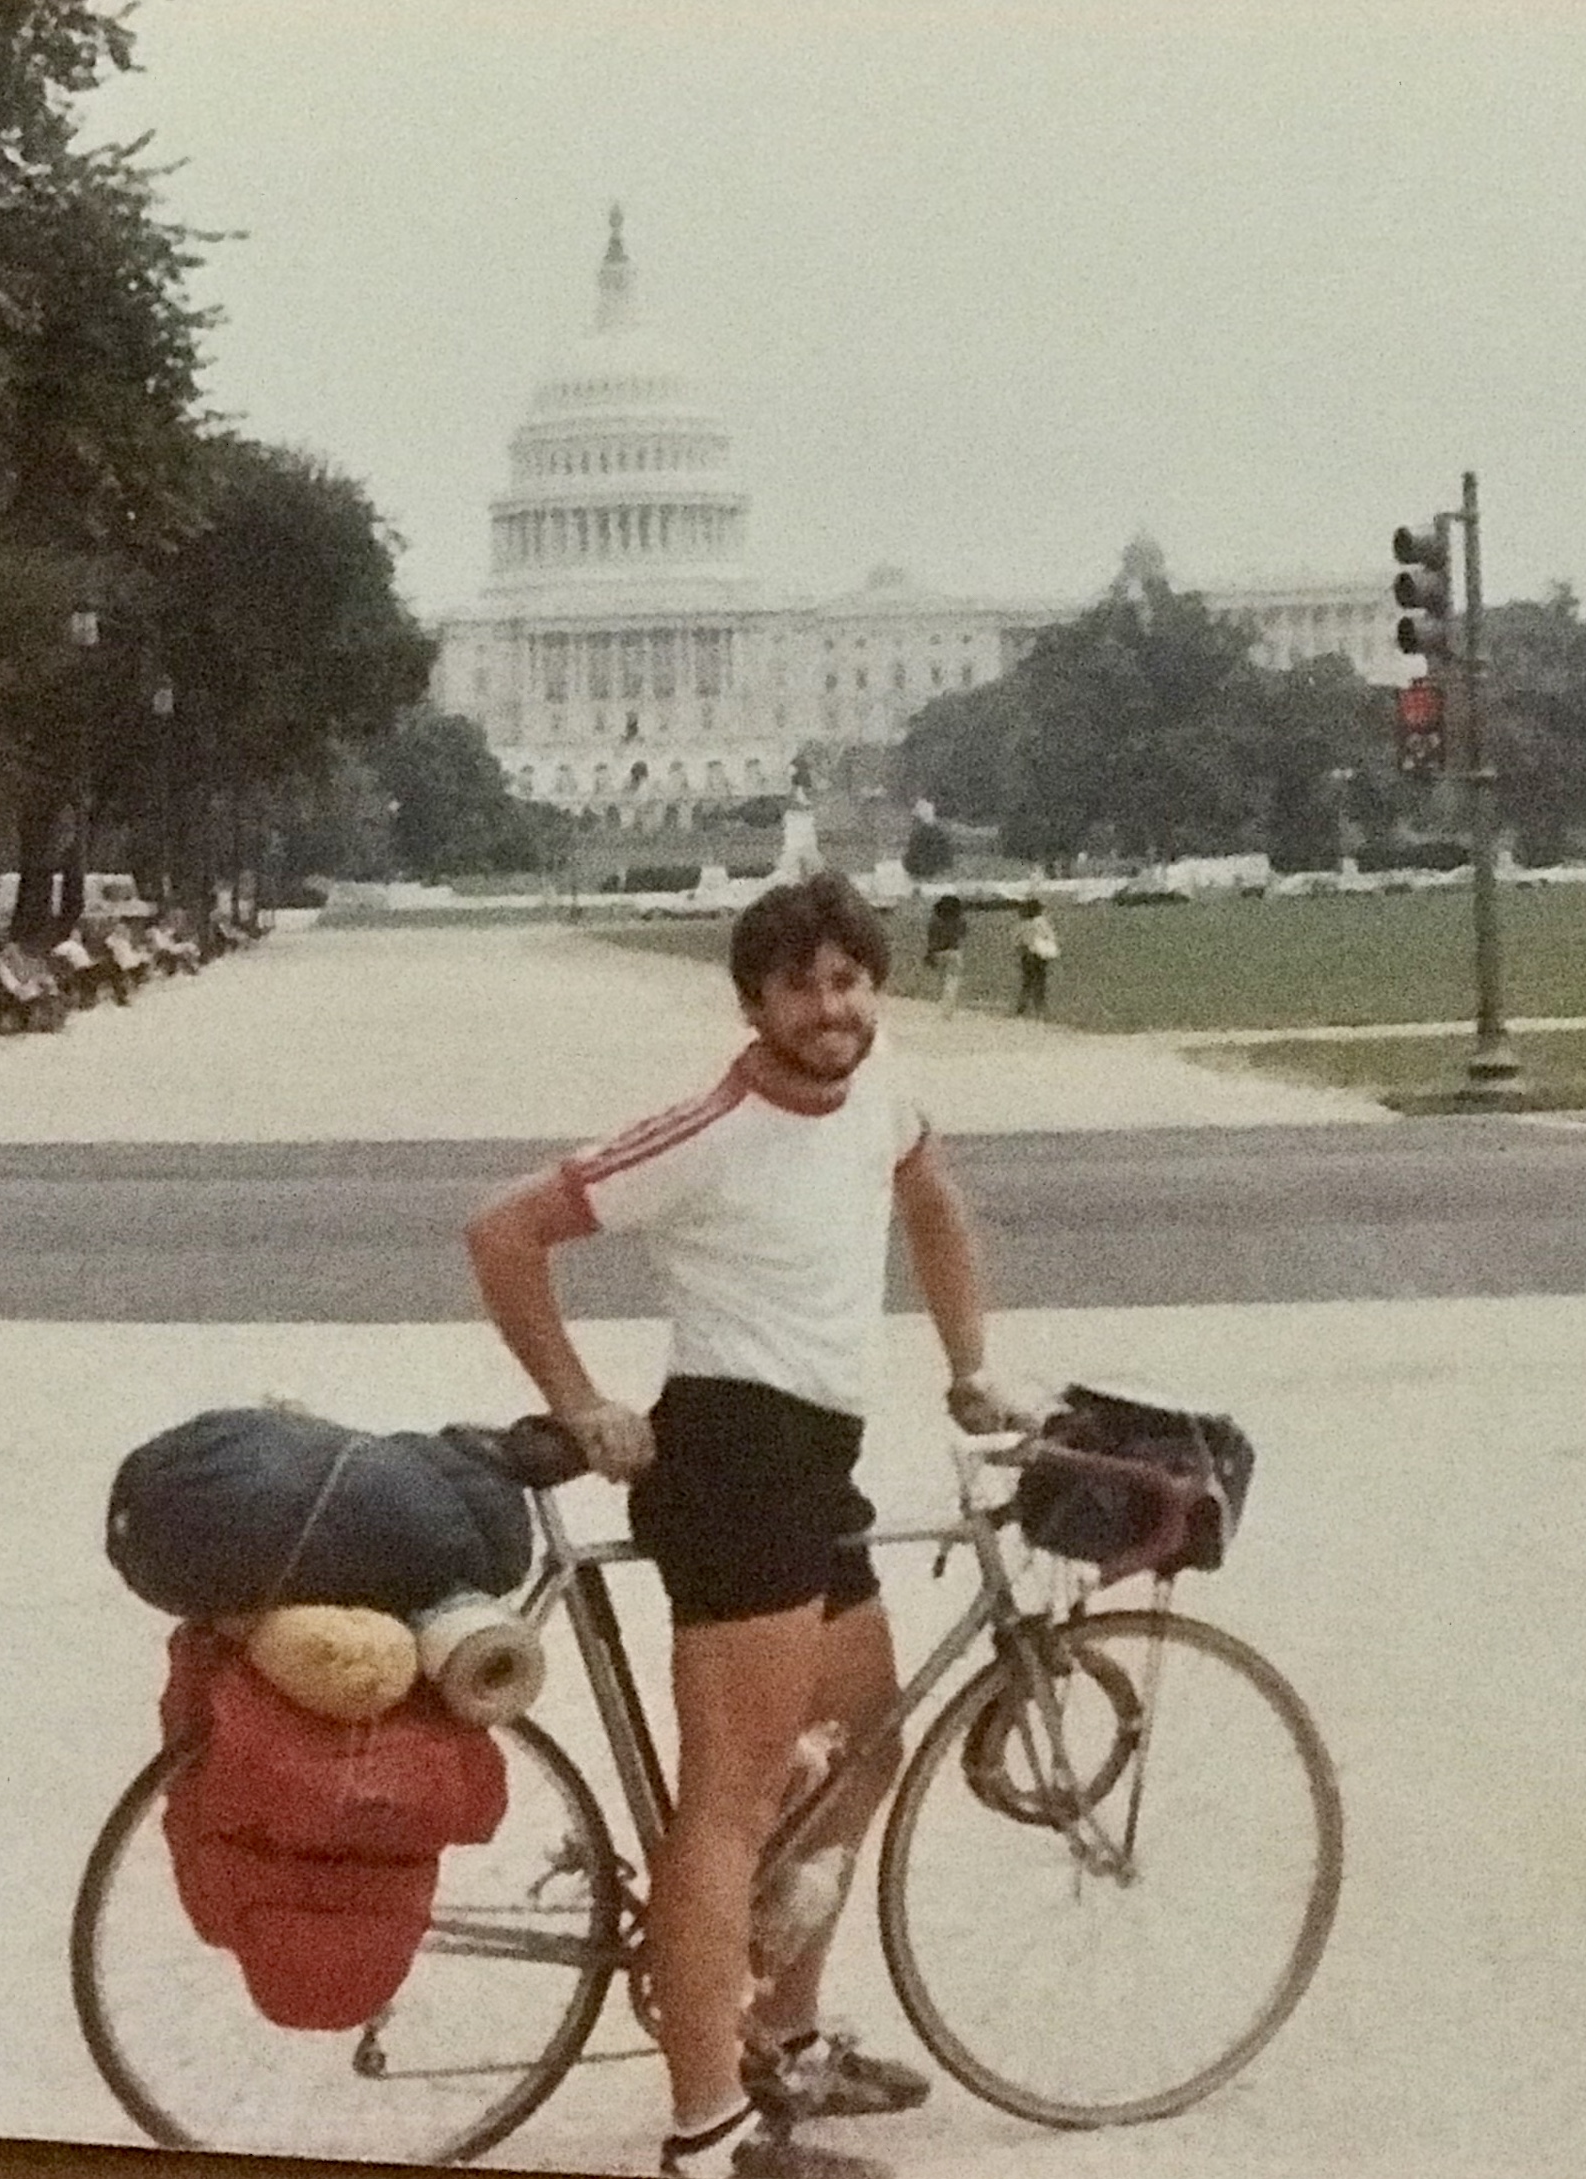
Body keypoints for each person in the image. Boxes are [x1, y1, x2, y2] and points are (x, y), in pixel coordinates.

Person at [465, 872, 1030, 2179]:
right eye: (801, 986)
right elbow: (503, 1230)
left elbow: (932, 1199)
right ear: (756, 1000)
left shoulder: (881, 1079)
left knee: (862, 1745)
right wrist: (577, 1399)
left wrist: (968, 1363)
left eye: (847, 980)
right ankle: (705, 2128)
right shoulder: (710, 1128)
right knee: (724, 1805)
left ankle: (785, 2034)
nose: (831, 1008)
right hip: (730, 1463)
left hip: (812, 1462)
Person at [918, 893, 965, 1018]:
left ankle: (939, 1006)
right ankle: (947, 1010)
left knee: (940, 981)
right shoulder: (959, 920)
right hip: (954, 951)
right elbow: (962, 935)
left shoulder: (934, 921)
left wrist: (929, 953)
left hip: (938, 952)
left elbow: (931, 938)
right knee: (952, 982)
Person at [1012, 897, 1059, 1018]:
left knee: (1027, 983)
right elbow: (1051, 937)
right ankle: (1040, 1009)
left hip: (1026, 956)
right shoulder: (1042, 922)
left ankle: (1021, 1008)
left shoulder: (1022, 924)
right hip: (1039, 956)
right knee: (1040, 982)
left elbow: (1016, 942)